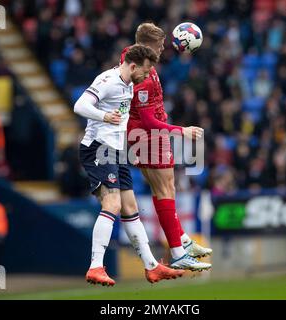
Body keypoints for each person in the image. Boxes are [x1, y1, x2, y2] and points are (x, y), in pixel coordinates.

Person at [74, 44, 184, 286]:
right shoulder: (108, 80)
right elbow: (79, 105)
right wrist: (103, 116)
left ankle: (152, 266)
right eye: (145, 72)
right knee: (112, 203)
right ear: (133, 66)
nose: (147, 77)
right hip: (98, 148)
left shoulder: (130, 84)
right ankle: (96, 266)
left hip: (117, 150)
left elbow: (125, 119)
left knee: (130, 206)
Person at [120, 23, 212, 271]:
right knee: (163, 189)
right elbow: (149, 121)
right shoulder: (143, 77)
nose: (163, 49)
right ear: (148, 45)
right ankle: (178, 252)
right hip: (147, 135)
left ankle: (180, 239)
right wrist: (183, 131)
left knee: (167, 186)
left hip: (148, 134)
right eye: (159, 45)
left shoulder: (132, 57)